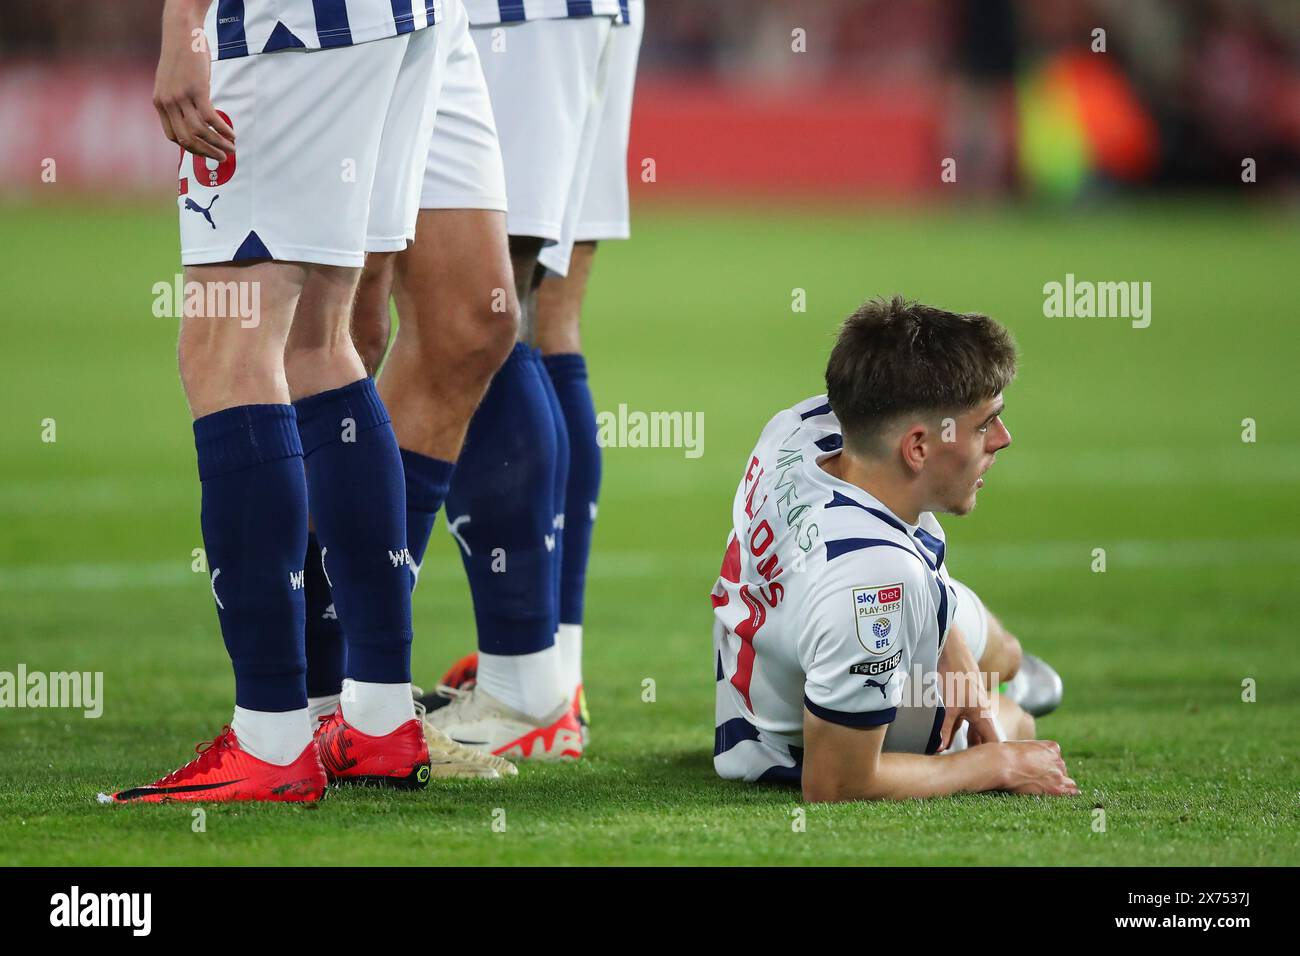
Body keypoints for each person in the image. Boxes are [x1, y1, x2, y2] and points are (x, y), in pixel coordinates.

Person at [104, 0, 443, 803]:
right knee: (317, 344)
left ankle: (270, 737)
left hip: (285, 24)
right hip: (398, 21)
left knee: (227, 345)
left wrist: (185, 22)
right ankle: (381, 719)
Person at [711, 296, 1078, 802]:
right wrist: (993, 762)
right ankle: (1013, 700)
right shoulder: (876, 578)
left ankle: (1007, 670)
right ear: (919, 448)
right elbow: (837, 783)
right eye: (984, 423)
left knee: (998, 650)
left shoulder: (805, 428)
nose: (1002, 439)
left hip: (759, 663)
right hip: (789, 738)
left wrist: (955, 654)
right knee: (1013, 726)